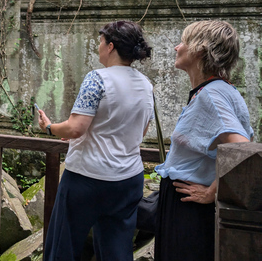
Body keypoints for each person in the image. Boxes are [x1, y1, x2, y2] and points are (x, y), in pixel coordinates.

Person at [38, 20, 154, 261]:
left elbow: (75, 128)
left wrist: (49, 127)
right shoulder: (146, 85)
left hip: (88, 179)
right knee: (117, 250)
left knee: (64, 245)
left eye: (100, 42)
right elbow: (141, 132)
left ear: (110, 47)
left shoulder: (97, 79)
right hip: (128, 180)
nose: (98, 47)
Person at [154, 20, 252, 261]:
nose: (177, 47)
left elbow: (244, 148)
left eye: (184, 42)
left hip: (190, 209)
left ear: (199, 49)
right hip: (189, 205)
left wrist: (212, 192)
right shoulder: (220, 89)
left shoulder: (211, 94)